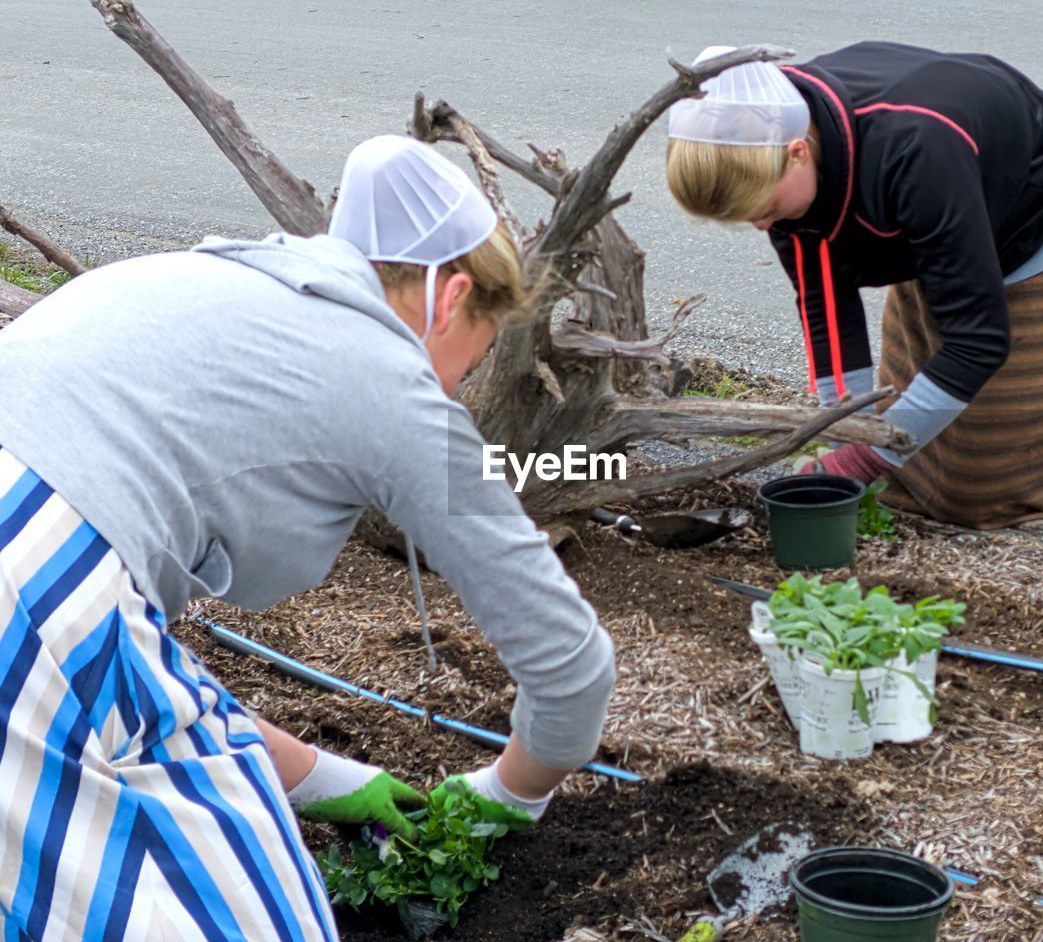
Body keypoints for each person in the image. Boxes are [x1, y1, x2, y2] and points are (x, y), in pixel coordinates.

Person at [0, 136, 615, 940]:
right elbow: (573, 669)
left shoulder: (184, 284)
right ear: (449, 296)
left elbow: (134, 654)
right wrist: (508, 795)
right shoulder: (392, 387)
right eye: (480, 351)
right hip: (34, 599)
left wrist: (326, 778)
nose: (461, 384)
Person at [667, 42, 1043, 532]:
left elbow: (978, 342)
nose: (762, 227)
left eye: (766, 212)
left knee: (994, 481)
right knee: (908, 466)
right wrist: (844, 437)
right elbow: (828, 312)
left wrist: (860, 462)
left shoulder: (916, 147)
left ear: (798, 153)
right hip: (937, 229)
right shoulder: (779, 149)